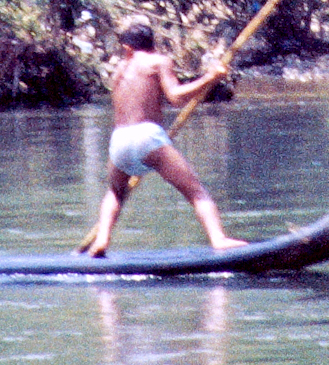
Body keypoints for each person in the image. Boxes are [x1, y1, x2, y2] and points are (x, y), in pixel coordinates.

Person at [77, 22, 242, 256]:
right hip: (147, 137)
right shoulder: (158, 62)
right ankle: (218, 239)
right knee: (195, 191)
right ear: (151, 44)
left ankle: (102, 239)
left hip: (119, 139)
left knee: (114, 192)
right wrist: (210, 77)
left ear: (127, 47)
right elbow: (175, 97)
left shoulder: (119, 70)